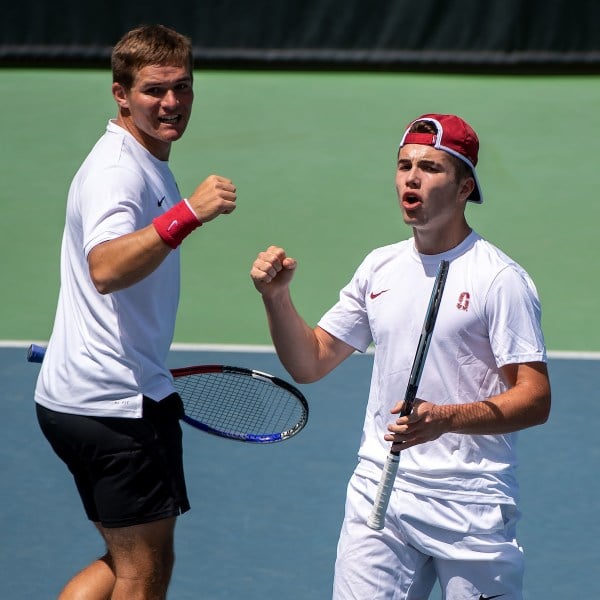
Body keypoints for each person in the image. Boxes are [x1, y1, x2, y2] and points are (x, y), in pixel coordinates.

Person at [250, 113, 551, 599]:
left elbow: (535, 399)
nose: (412, 177)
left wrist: (446, 419)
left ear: (463, 187)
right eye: (404, 165)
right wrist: (276, 298)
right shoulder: (379, 267)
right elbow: (311, 362)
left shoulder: (500, 280)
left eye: (431, 167)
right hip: (381, 494)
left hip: (470, 503)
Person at [34, 24, 237, 600]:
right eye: (154, 90)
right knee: (144, 573)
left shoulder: (140, 158)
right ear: (121, 93)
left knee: (124, 558)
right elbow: (106, 268)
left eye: (183, 88)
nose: (171, 103)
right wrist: (186, 216)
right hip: (115, 408)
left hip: (76, 399)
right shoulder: (117, 171)